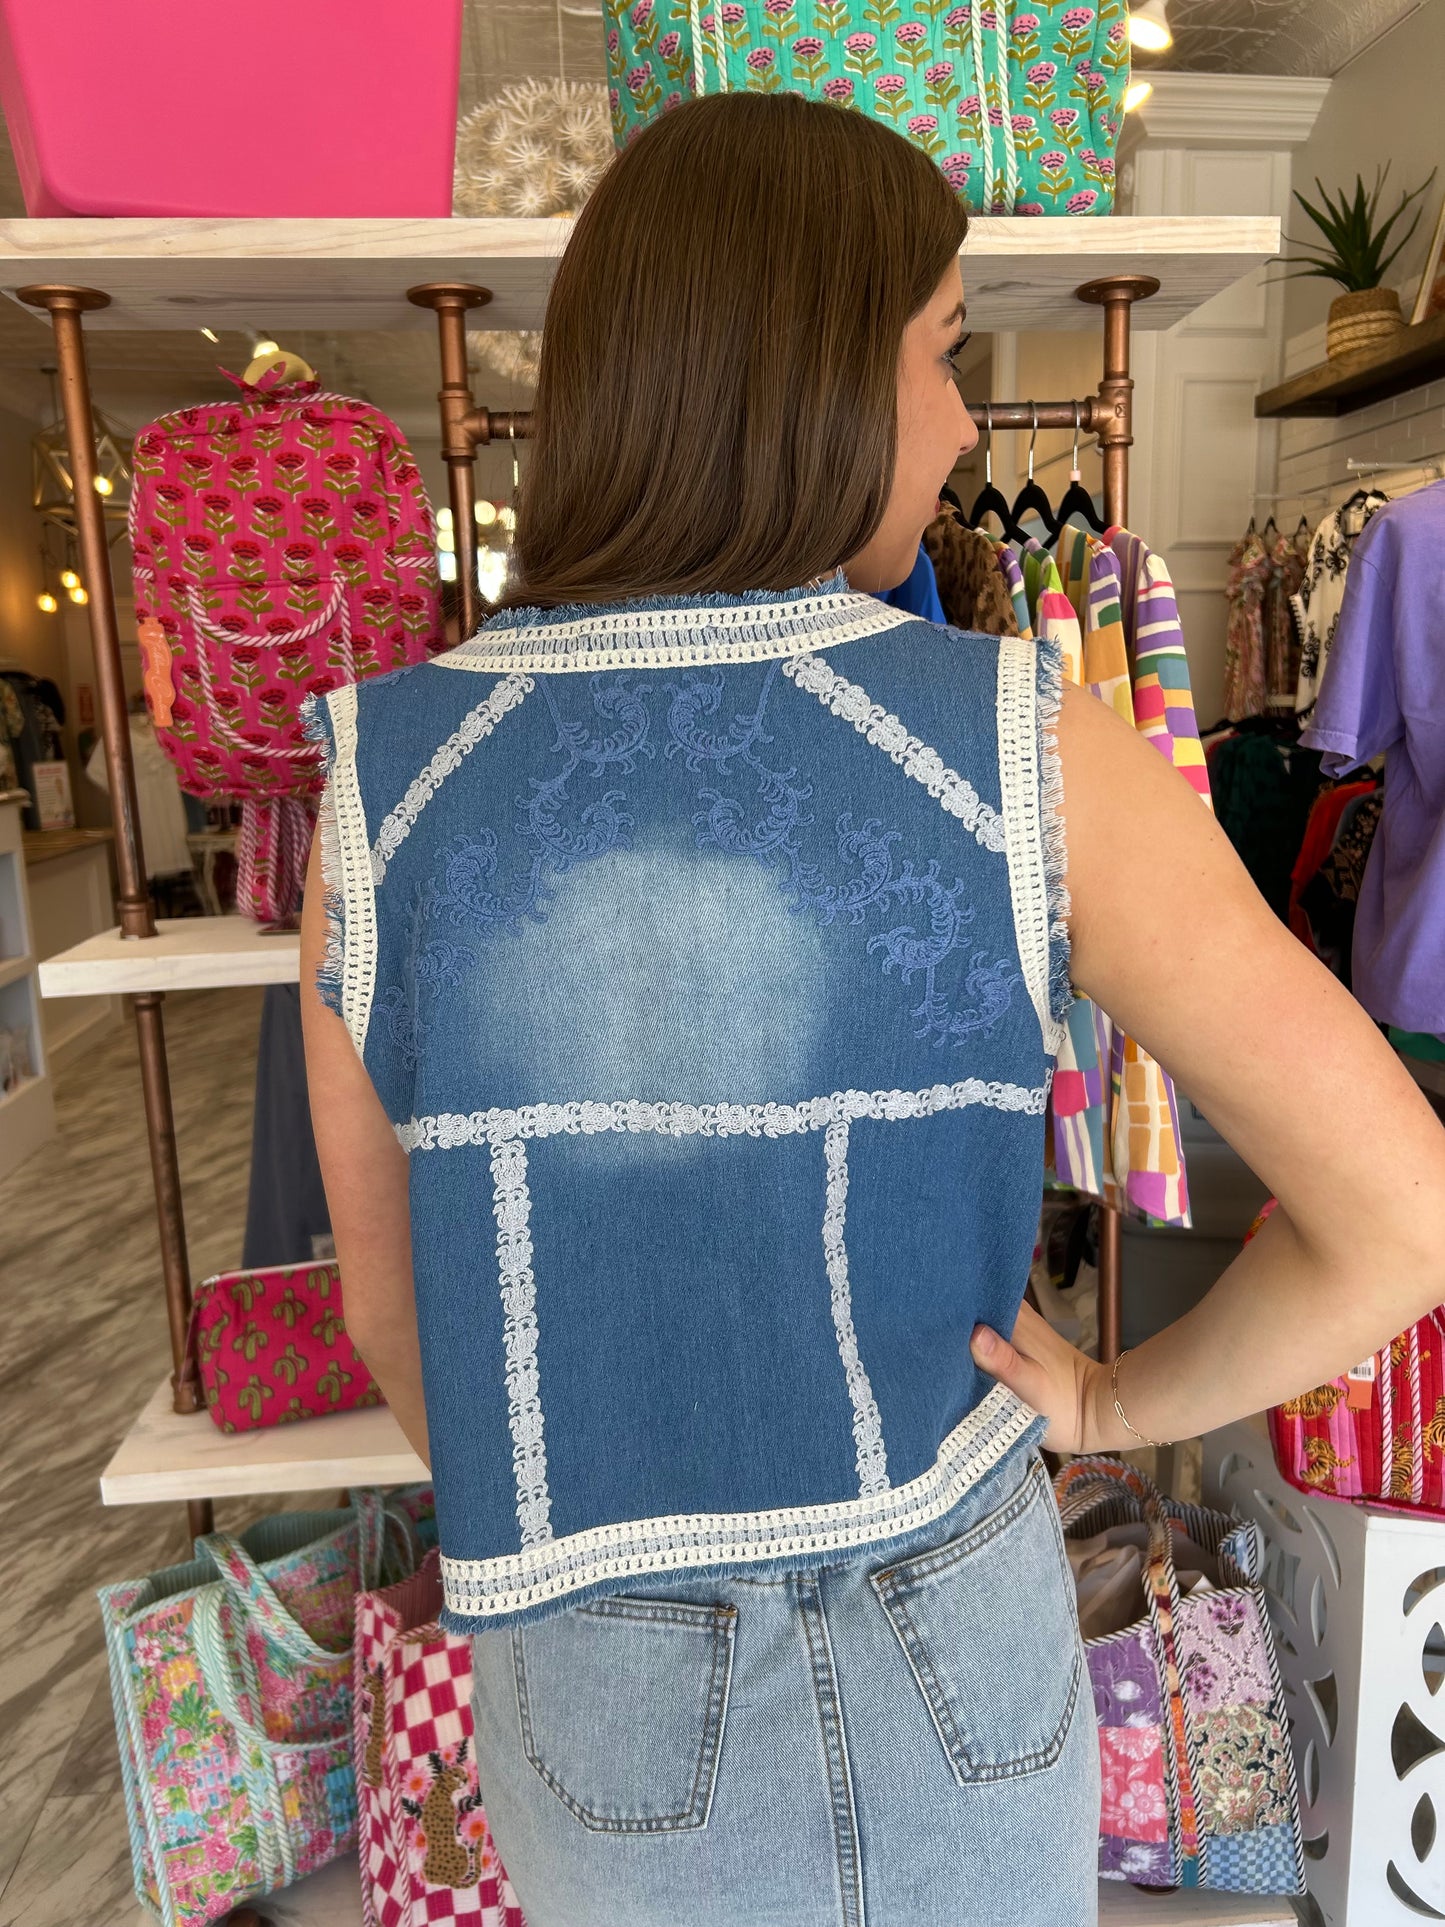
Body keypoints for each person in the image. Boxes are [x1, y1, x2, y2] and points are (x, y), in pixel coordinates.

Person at [300, 92, 1445, 1927]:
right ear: (814, 379)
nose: (968, 421)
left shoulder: (385, 786)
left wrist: (608, 1500)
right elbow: (1403, 1212)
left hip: (586, 1678)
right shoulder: (1017, 744)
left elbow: (388, 1316)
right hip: (949, 1631)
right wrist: (1111, 1401)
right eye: (943, 349)